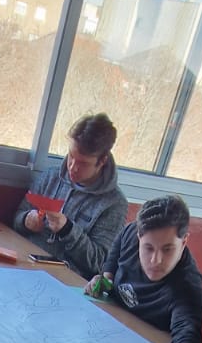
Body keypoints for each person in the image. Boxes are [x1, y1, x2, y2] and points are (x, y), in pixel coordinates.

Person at [85, 194, 202, 343]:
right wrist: (105, 279)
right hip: (107, 334)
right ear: (139, 237)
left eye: (168, 249)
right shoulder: (130, 233)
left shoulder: (187, 283)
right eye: (148, 248)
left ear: (184, 242)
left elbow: (188, 330)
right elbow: (114, 257)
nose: (155, 260)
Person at [13, 113, 127, 279]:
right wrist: (26, 220)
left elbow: (99, 263)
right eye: (71, 156)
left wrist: (67, 230)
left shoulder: (114, 204)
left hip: (65, 280)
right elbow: (16, 219)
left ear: (102, 161)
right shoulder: (51, 177)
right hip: (25, 263)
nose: (73, 167)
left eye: (83, 163)